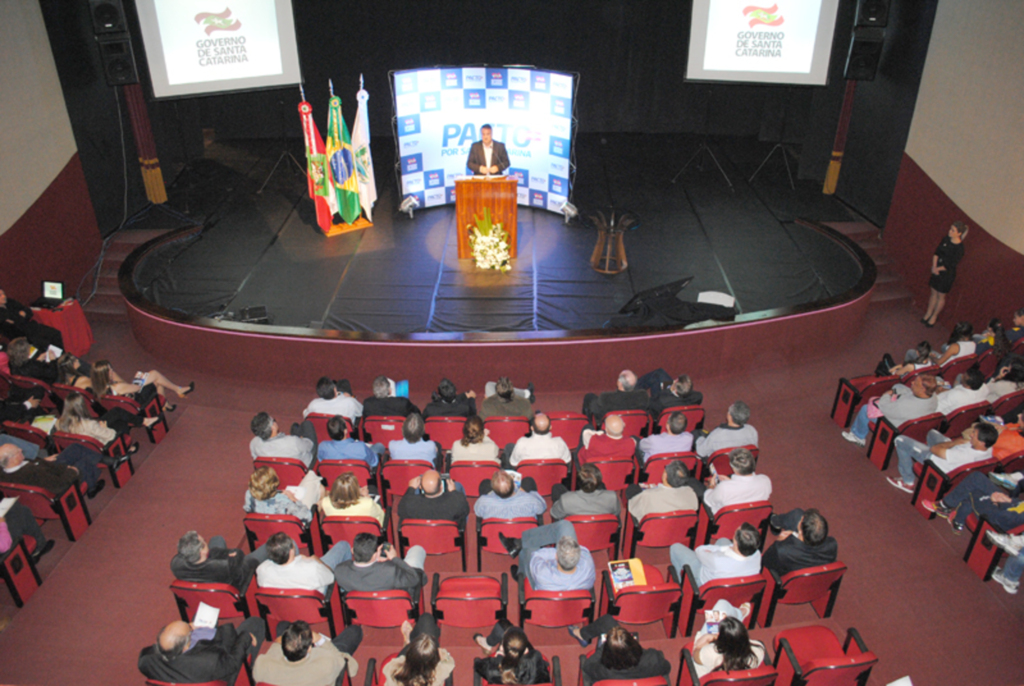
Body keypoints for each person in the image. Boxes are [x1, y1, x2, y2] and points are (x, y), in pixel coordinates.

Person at [139, 617, 265, 686]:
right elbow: (232, 662)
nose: (191, 627)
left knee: (201, 617)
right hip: (221, 674)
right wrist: (245, 637)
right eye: (190, 629)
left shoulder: (145, 660)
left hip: (186, 674)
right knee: (255, 623)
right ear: (185, 646)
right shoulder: (209, 661)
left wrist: (188, 628)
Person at [887, 423, 997, 494]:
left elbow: (934, 449)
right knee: (932, 433)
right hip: (950, 453)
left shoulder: (964, 454)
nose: (971, 435)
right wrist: (956, 444)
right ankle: (921, 449)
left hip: (937, 461)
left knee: (900, 440)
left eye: (974, 434)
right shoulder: (988, 449)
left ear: (982, 442)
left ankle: (908, 481)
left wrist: (954, 443)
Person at [252, 619, 361, 686]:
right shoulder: (327, 663)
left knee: (283, 625)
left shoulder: (262, 664)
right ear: (310, 648)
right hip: (319, 665)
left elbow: (273, 651)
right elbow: (352, 668)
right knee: (354, 632)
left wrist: (277, 644)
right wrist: (321, 641)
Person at [842, 374, 939, 446]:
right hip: (911, 415)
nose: (912, 383)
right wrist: (895, 391)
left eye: (915, 383)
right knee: (898, 386)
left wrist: (887, 394)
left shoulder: (905, 406)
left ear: (922, 389)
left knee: (865, 409)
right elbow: (908, 392)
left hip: (894, 424)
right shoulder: (933, 396)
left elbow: (884, 407)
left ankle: (857, 436)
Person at [497, 520, 595, 591]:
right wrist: (564, 553)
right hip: (573, 583)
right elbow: (582, 550)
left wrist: (556, 553)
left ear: (556, 556)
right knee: (565, 525)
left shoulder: (542, 573)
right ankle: (518, 544)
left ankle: (521, 574)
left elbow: (537, 555)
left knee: (530, 547)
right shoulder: (588, 564)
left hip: (545, 583)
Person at [571, 619, 671, 686]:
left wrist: (604, 647)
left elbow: (587, 666)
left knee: (607, 621)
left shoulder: (602, 670)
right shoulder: (652, 659)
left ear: (607, 653)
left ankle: (581, 634)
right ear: (633, 644)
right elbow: (666, 668)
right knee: (609, 623)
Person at [921, 470, 1024, 533]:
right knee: (976, 478)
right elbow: (1020, 505)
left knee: (973, 488)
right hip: (1009, 505)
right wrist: (1008, 500)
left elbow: (1007, 519)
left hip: (995, 519)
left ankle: (944, 507)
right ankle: (958, 521)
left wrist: (997, 502)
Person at [334, 532, 427, 600]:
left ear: (352, 551)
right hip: (391, 605)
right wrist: (394, 558)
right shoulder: (390, 570)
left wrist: (376, 562)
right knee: (417, 549)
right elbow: (414, 578)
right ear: (375, 555)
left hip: (364, 609)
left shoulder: (339, 571)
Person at [55, 391, 155, 453]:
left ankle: (143, 421)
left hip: (88, 434)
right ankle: (125, 448)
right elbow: (111, 436)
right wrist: (104, 427)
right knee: (121, 422)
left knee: (116, 412)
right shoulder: (90, 424)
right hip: (102, 443)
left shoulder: (60, 423)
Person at [255, 531, 352, 595]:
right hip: (315, 598)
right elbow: (331, 576)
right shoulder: (312, 567)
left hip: (287, 602)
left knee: (292, 541)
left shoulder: (262, 569)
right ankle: (344, 590)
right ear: (291, 552)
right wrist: (317, 561)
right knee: (343, 545)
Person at [171, 530, 267, 592]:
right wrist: (236, 556)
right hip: (233, 580)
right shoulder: (226, 567)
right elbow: (242, 571)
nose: (205, 540)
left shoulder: (176, 566)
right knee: (267, 548)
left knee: (217, 539)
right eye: (204, 541)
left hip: (206, 580)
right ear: (202, 552)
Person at [0, 442, 105, 498]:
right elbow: (59, 486)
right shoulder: (32, 473)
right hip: (62, 482)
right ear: (12, 459)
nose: (20, 449)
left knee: (74, 448)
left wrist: (42, 461)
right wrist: (72, 470)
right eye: (17, 451)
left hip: (49, 469)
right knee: (84, 462)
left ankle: (108, 460)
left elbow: (29, 465)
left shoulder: (5, 470)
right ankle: (91, 487)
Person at [670, 523, 762, 587]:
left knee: (675, 548)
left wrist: (721, 549)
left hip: (704, 581)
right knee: (723, 540)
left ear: (736, 543)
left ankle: (681, 585)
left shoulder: (717, 560)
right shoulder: (757, 554)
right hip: (735, 580)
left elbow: (699, 551)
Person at [689, 606, 766, 678]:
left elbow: (695, 655)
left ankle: (740, 613)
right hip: (737, 680)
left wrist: (704, 640)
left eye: (718, 633)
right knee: (721, 604)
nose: (717, 633)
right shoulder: (759, 649)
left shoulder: (711, 651)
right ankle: (740, 613)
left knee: (720, 606)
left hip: (706, 677)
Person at [90, 359, 193, 410]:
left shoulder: (100, 386)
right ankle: (177, 391)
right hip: (137, 403)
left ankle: (166, 404)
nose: (112, 370)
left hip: (127, 402)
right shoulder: (117, 386)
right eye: (109, 370)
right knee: (155, 377)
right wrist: (139, 379)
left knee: (155, 378)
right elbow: (137, 387)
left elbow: (126, 385)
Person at [762, 509, 838, 577]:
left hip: (786, 579)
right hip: (813, 578)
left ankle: (774, 521)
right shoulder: (832, 545)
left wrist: (779, 541)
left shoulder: (782, 550)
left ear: (800, 531)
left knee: (796, 514)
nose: (801, 517)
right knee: (796, 514)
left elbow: (764, 562)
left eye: (801, 519)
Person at [383, 615, 455, 686]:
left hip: (405, 668)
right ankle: (412, 643)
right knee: (427, 621)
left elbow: (396, 663)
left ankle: (409, 643)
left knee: (425, 620)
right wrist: (443, 653)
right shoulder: (439, 674)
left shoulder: (392, 671)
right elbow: (449, 662)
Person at [922, 221, 967, 327]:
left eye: (953, 230)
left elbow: (951, 264)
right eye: (950, 228)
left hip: (947, 274)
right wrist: (934, 266)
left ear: (959, 233)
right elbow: (937, 252)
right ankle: (928, 313)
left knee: (940, 295)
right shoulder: (946, 239)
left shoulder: (960, 248)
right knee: (933, 292)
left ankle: (934, 316)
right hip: (936, 269)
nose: (949, 231)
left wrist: (938, 268)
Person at [473, 624, 550, 686]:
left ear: (502, 648)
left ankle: (487, 642)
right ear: (526, 651)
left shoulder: (491, 668)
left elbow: (477, 664)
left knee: (504, 625)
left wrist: (499, 659)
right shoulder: (535, 660)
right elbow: (545, 673)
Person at [244, 465, 323, 524]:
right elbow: (307, 516)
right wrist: (294, 499)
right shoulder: (284, 501)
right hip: (289, 531)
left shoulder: (249, 495)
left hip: (265, 527)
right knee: (313, 478)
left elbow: (248, 510)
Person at [702, 448, 772, 515]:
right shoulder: (765, 480)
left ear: (734, 469)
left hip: (727, 519)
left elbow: (708, 500)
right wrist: (730, 482)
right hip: (753, 517)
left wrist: (711, 486)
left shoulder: (724, 488)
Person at [626, 459, 700, 521]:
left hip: (652, 533)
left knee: (632, 489)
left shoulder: (648, 495)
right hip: (677, 533)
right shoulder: (690, 493)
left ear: (665, 475)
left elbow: (633, 508)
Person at [396, 470, 470, 529]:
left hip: (420, 537)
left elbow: (401, 511)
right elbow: (465, 510)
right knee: (458, 485)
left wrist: (411, 489)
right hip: (447, 538)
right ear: (441, 486)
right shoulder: (457, 502)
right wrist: (454, 492)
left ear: (420, 487)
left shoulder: (408, 504)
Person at [550, 463, 621, 520]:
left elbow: (554, 514)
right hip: (601, 533)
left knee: (557, 488)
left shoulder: (566, 499)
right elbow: (616, 513)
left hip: (573, 533)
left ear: (579, 482)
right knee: (602, 486)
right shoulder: (612, 497)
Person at [581, 370, 649, 425]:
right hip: (635, 429)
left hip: (609, 429)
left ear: (619, 383)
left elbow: (596, 411)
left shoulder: (606, 398)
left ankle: (587, 427)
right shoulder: (642, 396)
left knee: (589, 397)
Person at [250, 412, 317, 468]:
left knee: (295, 427)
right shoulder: (293, 442)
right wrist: (301, 440)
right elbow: (310, 445)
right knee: (307, 424)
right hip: (302, 470)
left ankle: (296, 430)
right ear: (273, 427)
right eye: (273, 420)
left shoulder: (254, 443)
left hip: (273, 475)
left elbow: (256, 460)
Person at [474, 470, 546, 520]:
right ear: (514, 485)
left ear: (493, 489)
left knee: (485, 483)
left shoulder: (483, 501)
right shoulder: (530, 500)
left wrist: (489, 494)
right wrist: (524, 492)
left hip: (494, 537)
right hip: (524, 537)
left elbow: (477, 512)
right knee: (528, 481)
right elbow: (542, 507)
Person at [317, 415, 382, 469]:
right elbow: (374, 462)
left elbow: (321, 461)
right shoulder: (360, 447)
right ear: (345, 431)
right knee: (379, 446)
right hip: (358, 478)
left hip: (336, 478)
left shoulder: (322, 446)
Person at [320, 472, 386, 526]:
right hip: (365, 535)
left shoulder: (325, 502)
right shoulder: (368, 503)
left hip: (341, 534)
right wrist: (367, 497)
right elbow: (381, 515)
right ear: (355, 490)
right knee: (372, 488)